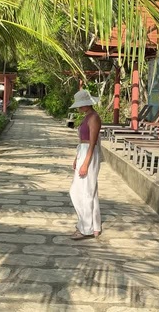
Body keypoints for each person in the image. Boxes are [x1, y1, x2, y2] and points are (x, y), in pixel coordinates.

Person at [69, 89, 102, 240]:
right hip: (83, 151)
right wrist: (77, 158)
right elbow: (81, 141)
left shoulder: (94, 118)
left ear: (86, 104)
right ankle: (93, 226)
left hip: (89, 152)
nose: (78, 108)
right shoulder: (87, 117)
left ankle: (86, 228)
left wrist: (86, 163)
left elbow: (93, 142)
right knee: (86, 191)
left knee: (82, 192)